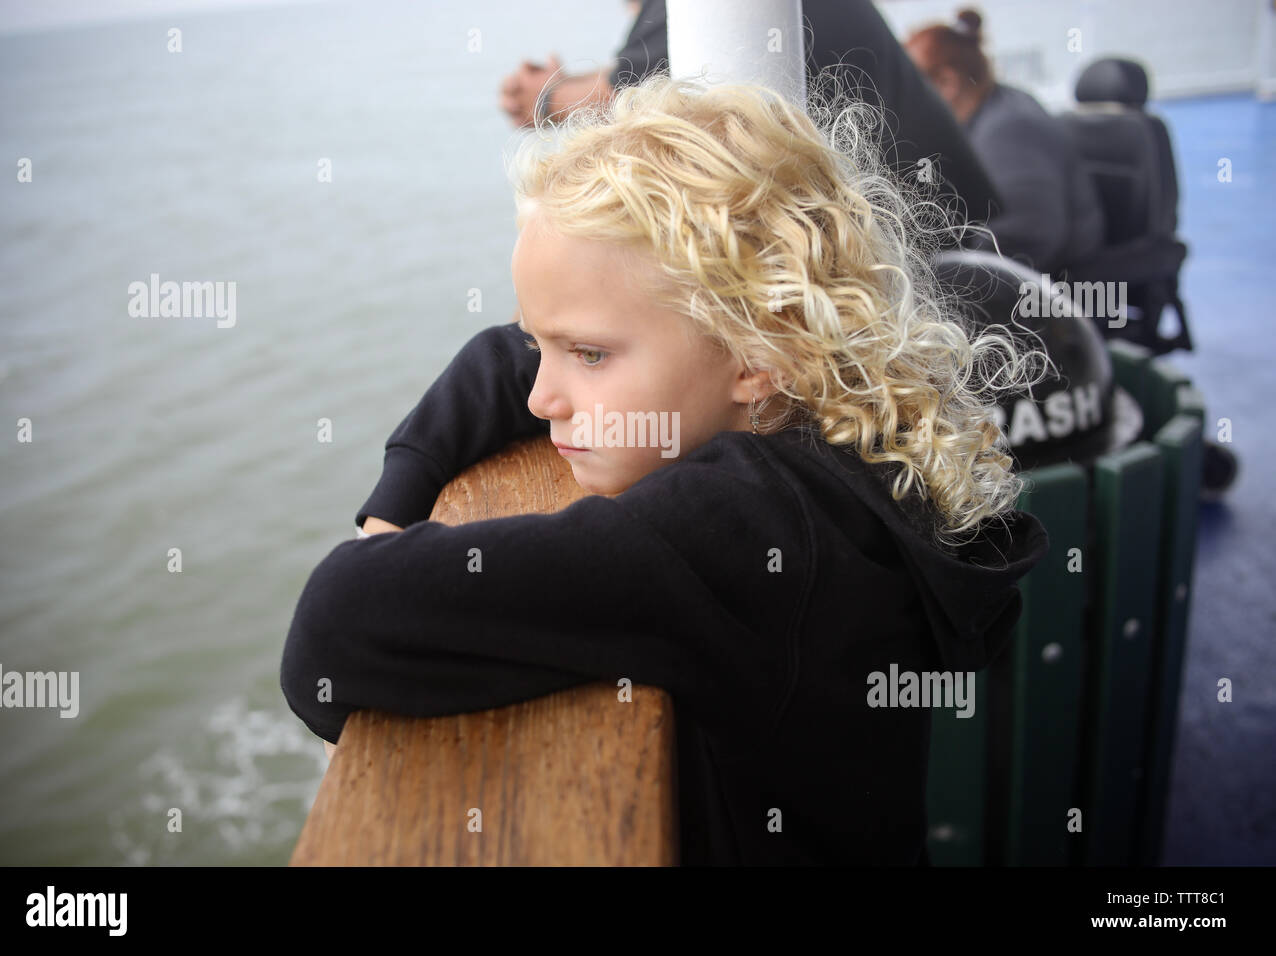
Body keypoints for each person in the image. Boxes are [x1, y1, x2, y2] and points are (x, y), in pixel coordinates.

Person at [281, 74, 1051, 865]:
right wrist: (398, 498)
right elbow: (504, 355)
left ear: (759, 352)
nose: (545, 397)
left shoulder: (750, 530)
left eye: (586, 356)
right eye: (548, 347)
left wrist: (379, 542)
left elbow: (336, 628)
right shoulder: (832, 430)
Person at [499, 0, 1004, 230]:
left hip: (934, 258)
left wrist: (540, 96)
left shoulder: (698, 10)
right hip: (964, 230)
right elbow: (648, 68)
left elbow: (607, 97)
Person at [905, 8, 1106, 275]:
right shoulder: (990, 113)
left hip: (1050, 301)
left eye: (913, 87)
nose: (908, 101)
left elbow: (1025, 236)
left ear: (947, 83)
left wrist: (939, 284)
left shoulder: (1011, 130)